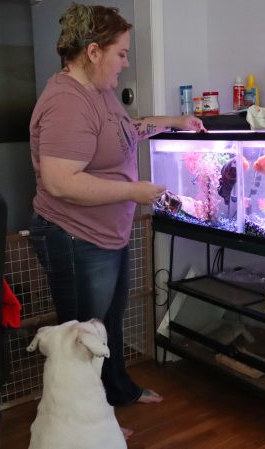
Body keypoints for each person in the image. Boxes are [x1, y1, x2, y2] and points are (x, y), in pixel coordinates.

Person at [27, 2, 205, 438]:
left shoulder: (99, 93)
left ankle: (119, 391)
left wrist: (176, 122)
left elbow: (130, 128)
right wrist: (133, 192)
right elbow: (60, 181)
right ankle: (91, 423)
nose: (126, 63)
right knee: (81, 338)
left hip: (108, 233)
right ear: (93, 51)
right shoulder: (67, 103)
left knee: (109, 322)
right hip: (75, 237)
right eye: (121, 53)